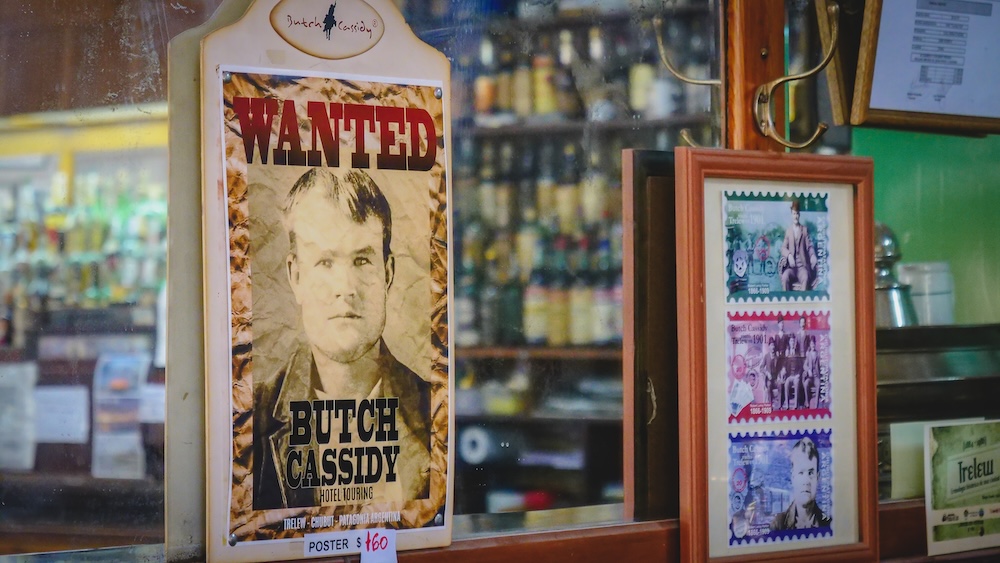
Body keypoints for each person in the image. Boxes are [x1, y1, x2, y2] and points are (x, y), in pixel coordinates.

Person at [253, 167, 434, 510]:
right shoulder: (253, 419)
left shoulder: (432, 408)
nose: (346, 289)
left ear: (388, 273)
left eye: (363, 260)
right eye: (324, 262)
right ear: (296, 276)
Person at [770, 437, 831, 530]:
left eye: (811, 473)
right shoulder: (778, 525)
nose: (806, 481)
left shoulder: (829, 524)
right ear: (793, 477)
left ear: (817, 478)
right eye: (801, 473)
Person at [779, 199, 817, 291]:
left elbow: (810, 246)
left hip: (802, 268)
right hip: (791, 268)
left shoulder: (804, 230)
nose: (795, 216)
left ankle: (803, 304)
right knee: (784, 277)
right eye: (794, 214)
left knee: (805, 278)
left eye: (797, 214)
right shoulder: (788, 231)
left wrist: (812, 255)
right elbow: (783, 248)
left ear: (799, 215)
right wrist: (789, 255)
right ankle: (786, 303)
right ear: (791, 215)